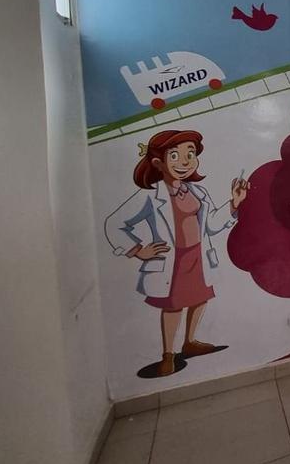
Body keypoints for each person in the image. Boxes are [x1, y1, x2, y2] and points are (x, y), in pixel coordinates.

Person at [104, 129, 249, 377]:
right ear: (158, 162)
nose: (185, 161)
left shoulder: (197, 192)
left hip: (198, 256)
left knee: (200, 298)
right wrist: (138, 250)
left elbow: (211, 225)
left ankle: (190, 343)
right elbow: (114, 223)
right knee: (173, 306)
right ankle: (168, 355)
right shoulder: (151, 196)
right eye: (175, 156)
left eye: (190, 154)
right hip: (174, 261)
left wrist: (234, 203)